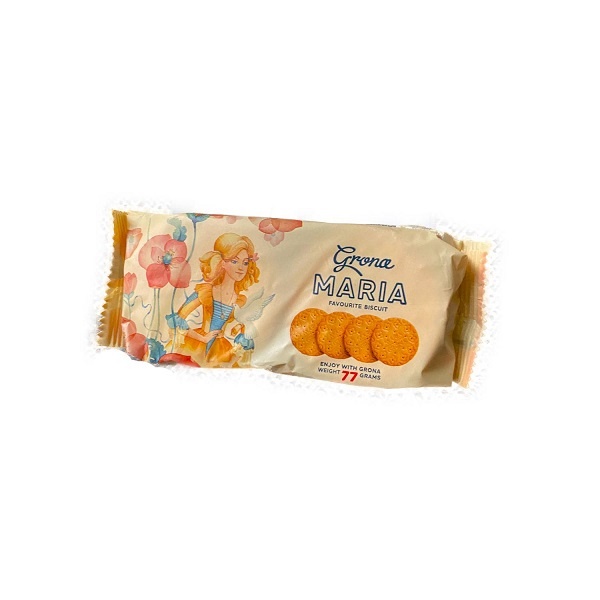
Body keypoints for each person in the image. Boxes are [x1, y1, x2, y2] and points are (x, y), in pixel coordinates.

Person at [175, 233, 260, 366]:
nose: (241, 268)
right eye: (234, 261)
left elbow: (246, 323)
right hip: (197, 345)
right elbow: (177, 319)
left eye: (245, 263)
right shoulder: (207, 291)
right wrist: (202, 338)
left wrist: (239, 327)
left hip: (221, 349)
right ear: (222, 263)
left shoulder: (240, 300)